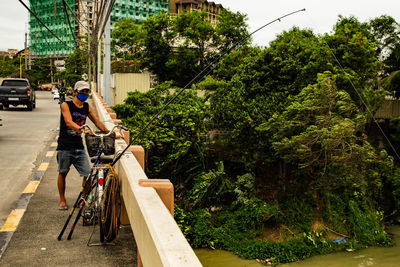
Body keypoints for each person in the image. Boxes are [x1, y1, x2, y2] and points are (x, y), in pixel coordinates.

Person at [56, 81, 108, 210]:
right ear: (75, 92)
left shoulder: (86, 107)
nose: (85, 94)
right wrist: (83, 129)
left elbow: (97, 122)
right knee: (62, 172)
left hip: (79, 146)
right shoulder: (66, 105)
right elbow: (68, 122)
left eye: (87, 91)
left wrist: (110, 133)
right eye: (82, 91)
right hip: (64, 146)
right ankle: (62, 200)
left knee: (88, 173)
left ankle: (84, 198)